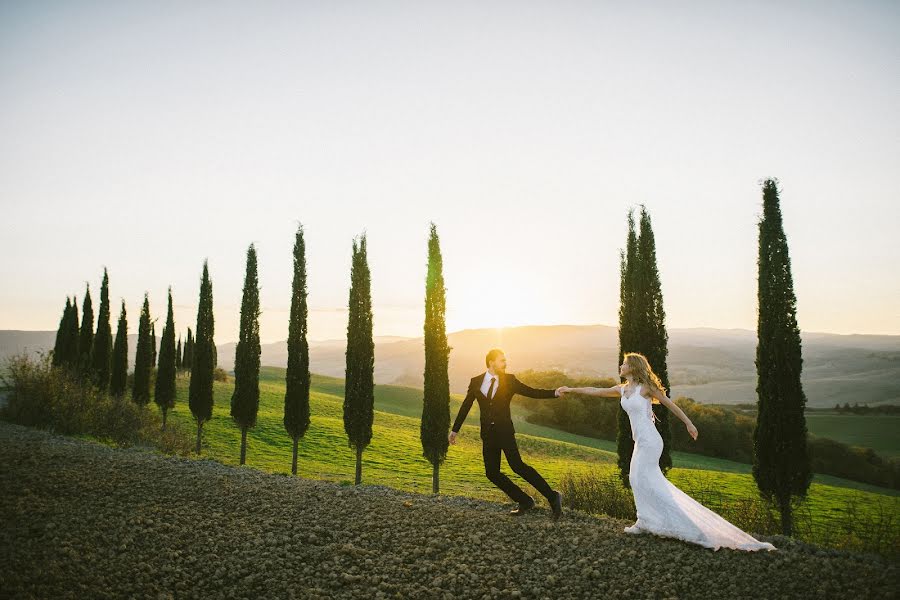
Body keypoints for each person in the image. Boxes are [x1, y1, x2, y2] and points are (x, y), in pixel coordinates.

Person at [561, 352, 776, 551]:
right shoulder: (622, 389)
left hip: (651, 441)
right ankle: (646, 520)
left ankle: (660, 523)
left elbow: (670, 405)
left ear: (633, 367)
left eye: (624, 363)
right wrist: (570, 389)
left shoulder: (645, 388)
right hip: (640, 441)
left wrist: (689, 423)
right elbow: (595, 391)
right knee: (638, 479)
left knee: (639, 478)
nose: (621, 365)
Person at [449, 348, 567, 517]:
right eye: (502, 360)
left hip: (505, 431)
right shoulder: (476, 381)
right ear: (491, 362)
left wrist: (554, 393)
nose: (505, 363)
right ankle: (525, 500)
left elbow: (531, 392)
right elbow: (466, 405)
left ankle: (552, 496)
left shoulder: (509, 380)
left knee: (517, 466)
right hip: (488, 434)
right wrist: (455, 430)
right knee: (492, 473)